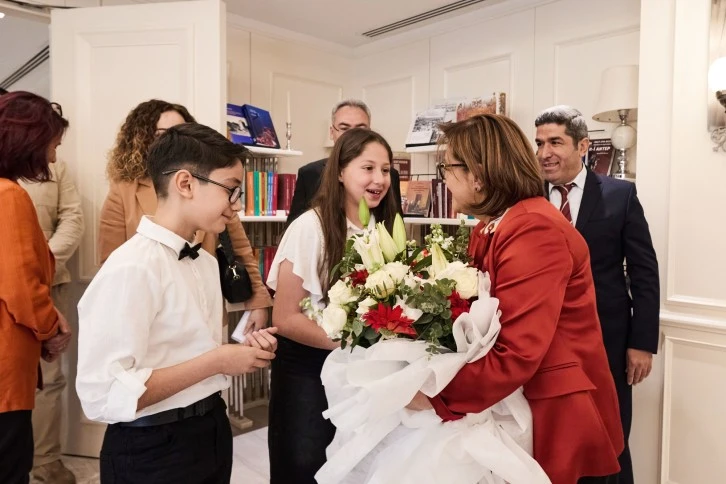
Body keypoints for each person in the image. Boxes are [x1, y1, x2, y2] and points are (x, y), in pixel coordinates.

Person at [407, 114, 624, 484]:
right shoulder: (496, 225)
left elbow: (516, 353)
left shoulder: (533, 229)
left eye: (447, 168)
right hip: (515, 404)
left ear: (478, 174)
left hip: (554, 414)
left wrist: (434, 395)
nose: (444, 179)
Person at [76, 123, 278, 483]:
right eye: (231, 190)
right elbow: (103, 394)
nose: (237, 205)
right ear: (185, 184)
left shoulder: (206, 263)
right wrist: (217, 360)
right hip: (151, 447)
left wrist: (240, 353)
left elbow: (190, 352)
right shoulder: (131, 268)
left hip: (211, 429)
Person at [266, 128, 400, 483]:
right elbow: (285, 317)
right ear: (340, 172)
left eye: (386, 170)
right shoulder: (309, 228)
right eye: (367, 168)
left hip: (356, 369)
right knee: (305, 466)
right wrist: (353, 343)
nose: (379, 179)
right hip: (307, 368)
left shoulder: (381, 228)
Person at [535, 105, 660, 484]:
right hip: (544, 342)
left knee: (611, 435)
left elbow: (644, 271)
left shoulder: (620, 195)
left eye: (555, 142)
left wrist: (642, 343)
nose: (544, 153)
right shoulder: (527, 197)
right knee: (555, 439)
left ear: (583, 145)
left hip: (608, 340)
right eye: (539, 143)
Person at [99, 99, 272, 333]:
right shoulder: (131, 262)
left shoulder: (208, 262)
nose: (174, 139)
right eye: (163, 134)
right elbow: (111, 262)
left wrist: (258, 302)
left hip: (205, 311)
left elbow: (240, 248)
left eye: (180, 131)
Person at [0, 91, 73, 484]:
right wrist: (51, 329)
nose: (53, 158)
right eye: (52, 146)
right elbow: (21, 287)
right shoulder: (9, 196)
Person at [19, 158, 84, 484]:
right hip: (5, 286)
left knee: (48, 376)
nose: (56, 152)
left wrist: (40, 264)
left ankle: (45, 461)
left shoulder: (54, 166)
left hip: (49, 284)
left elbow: (73, 218)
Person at [286, 99, 402, 224]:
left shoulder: (390, 176)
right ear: (332, 132)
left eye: (361, 129)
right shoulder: (309, 174)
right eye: (344, 128)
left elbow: (395, 223)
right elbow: (295, 224)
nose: (352, 136)